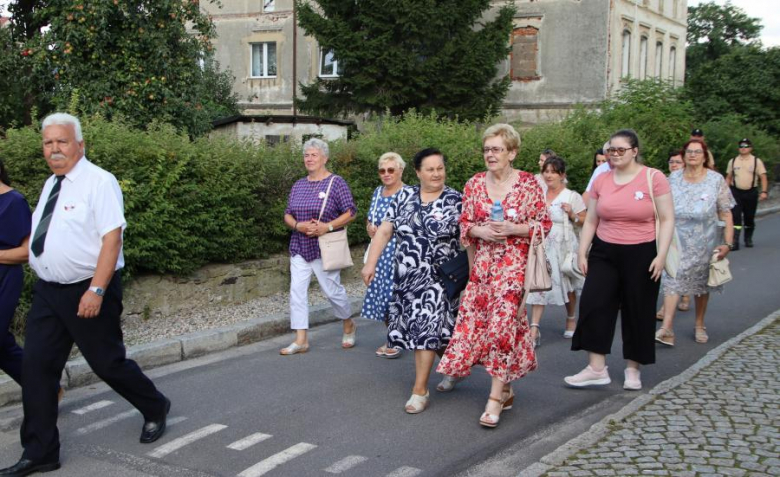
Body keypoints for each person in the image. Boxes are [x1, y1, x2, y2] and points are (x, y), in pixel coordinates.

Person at [0, 113, 171, 477]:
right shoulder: (51, 185)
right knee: (36, 368)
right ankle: (41, 451)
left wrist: (96, 289)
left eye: (62, 141)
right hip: (49, 292)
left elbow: (112, 239)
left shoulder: (100, 182)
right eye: (48, 143)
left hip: (88, 287)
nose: (54, 149)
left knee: (107, 363)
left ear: (80, 145)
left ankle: (155, 406)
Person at [436, 124, 551, 428]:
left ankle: (494, 398)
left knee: (501, 328)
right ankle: (507, 388)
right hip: (483, 268)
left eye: (497, 149)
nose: (490, 154)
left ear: (512, 152)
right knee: (480, 327)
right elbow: (464, 224)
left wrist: (516, 229)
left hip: (514, 267)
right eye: (487, 149)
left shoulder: (527, 183)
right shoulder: (474, 183)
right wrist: (480, 230)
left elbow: (544, 224)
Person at [565, 129, 674, 392]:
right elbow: (591, 219)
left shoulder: (653, 177)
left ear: (634, 151)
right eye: (611, 150)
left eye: (620, 150)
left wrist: (661, 255)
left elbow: (668, 218)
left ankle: (633, 369)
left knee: (638, 308)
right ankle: (596, 368)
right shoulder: (602, 179)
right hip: (605, 250)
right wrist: (582, 251)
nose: (614, 155)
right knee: (593, 303)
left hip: (642, 250)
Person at [361, 148, 462, 414]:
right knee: (434, 333)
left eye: (440, 168)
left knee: (427, 329)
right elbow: (384, 230)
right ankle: (454, 367)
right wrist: (371, 263)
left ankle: (420, 390)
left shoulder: (456, 199)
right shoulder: (403, 196)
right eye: (430, 169)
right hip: (408, 277)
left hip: (441, 279)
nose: (436, 173)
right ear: (418, 173)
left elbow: (469, 237)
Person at [655, 139, 735, 346]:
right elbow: (661, 208)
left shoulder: (715, 180)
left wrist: (727, 243)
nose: (692, 155)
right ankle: (667, 329)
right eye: (689, 152)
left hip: (704, 240)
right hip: (675, 239)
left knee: (701, 286)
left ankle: (699, 324)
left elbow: (725, 213)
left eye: (697, 152)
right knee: (672, 280)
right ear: (683, 155)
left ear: (705, 156)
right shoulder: (673, 178)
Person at [282, 138, 357, 355]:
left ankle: (348, 322)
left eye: (314, 155)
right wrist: (297, 225)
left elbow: (350, 212)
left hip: (324, 248)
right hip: (299, 245)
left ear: (325, 158)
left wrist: (327, 227)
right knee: (296, 291)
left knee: (332, 291)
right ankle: (301, 340)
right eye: (306, 155)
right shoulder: (298, 185)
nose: (309, 159)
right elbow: (288, 213)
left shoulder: (336, 182)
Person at [527, 156, 587, 346]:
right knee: (539, 284)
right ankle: (534, 328)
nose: (548, 175)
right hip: (542, 245)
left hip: (563, 246)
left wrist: (571, 214)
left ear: (562, 175)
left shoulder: (572, 196)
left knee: (567, 285)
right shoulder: (539, 194)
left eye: (553, 172)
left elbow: (584, 220)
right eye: (546, 171)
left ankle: (570, 317)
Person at [361, 152, 405, 359]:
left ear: (400, 171)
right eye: (382, 170)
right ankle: (393, 337)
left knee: (394, 298)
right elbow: (370, 220)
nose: (386, 174)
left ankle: (397, 339)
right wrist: (370, 228)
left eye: (390, 170)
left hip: (399, 254)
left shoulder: (408, 193)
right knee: (383, 300)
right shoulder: (378, 192)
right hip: (379, 254)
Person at [0, 159, 30, 390]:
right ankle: (44, 387)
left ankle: (43, 387)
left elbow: (26, 252)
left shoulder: (14, 201)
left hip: (5, 278)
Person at [656, 149, 690, 318]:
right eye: (671, 162)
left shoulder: (690, 183)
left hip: (689, 230)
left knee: (685, 265)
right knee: (669, 266)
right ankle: (665, 307)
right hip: (669, 229)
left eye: (678, 162)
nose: (674, 165)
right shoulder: (664, 182)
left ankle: (685, 294)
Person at [726, 138, 768, 250]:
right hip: (736, 192)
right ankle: (735, 241)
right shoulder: (733, 161)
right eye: (741, 146)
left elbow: (763, 177)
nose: (743, 148)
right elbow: (729, 177)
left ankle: (748, 238)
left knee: (749, 217)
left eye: (746, 146)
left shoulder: (756, 161)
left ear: (750, 148)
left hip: (751, 192)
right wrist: (725, 191)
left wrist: (764, 191)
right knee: (736, 217)